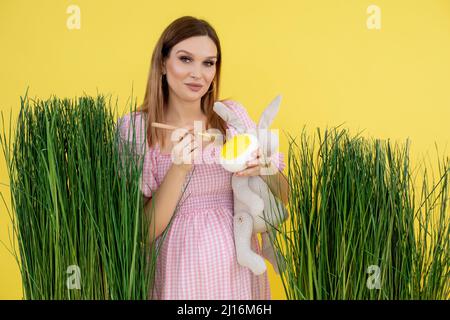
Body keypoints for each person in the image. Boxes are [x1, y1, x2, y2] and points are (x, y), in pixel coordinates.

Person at [117, 16, 289, 300]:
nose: (198, 73)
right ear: (162, 63)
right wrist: (180, 168)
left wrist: (265, 167)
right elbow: (141, 232)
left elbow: (283, 196)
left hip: (238, 272)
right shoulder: (136, 130)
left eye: (208, 63)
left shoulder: (231, 117)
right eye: (186, 59)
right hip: (177, 273)